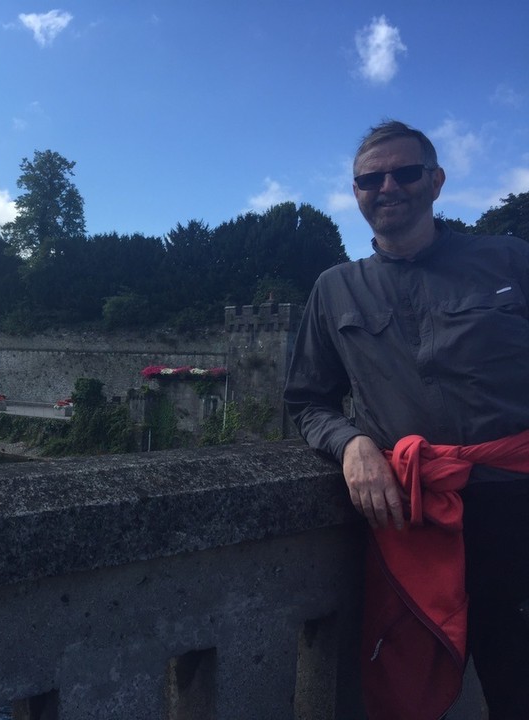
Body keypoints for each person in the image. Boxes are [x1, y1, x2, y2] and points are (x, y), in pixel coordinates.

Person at [284, 119, 529, 719]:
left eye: (405, 172)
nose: (387, 186)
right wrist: (350, 445)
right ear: (357, 192)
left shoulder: (508, 259)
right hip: (412, 526)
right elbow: (306, 400)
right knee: (403, 699)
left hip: (518, 511)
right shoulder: (336, 288)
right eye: (370, 178)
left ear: (437, 181)